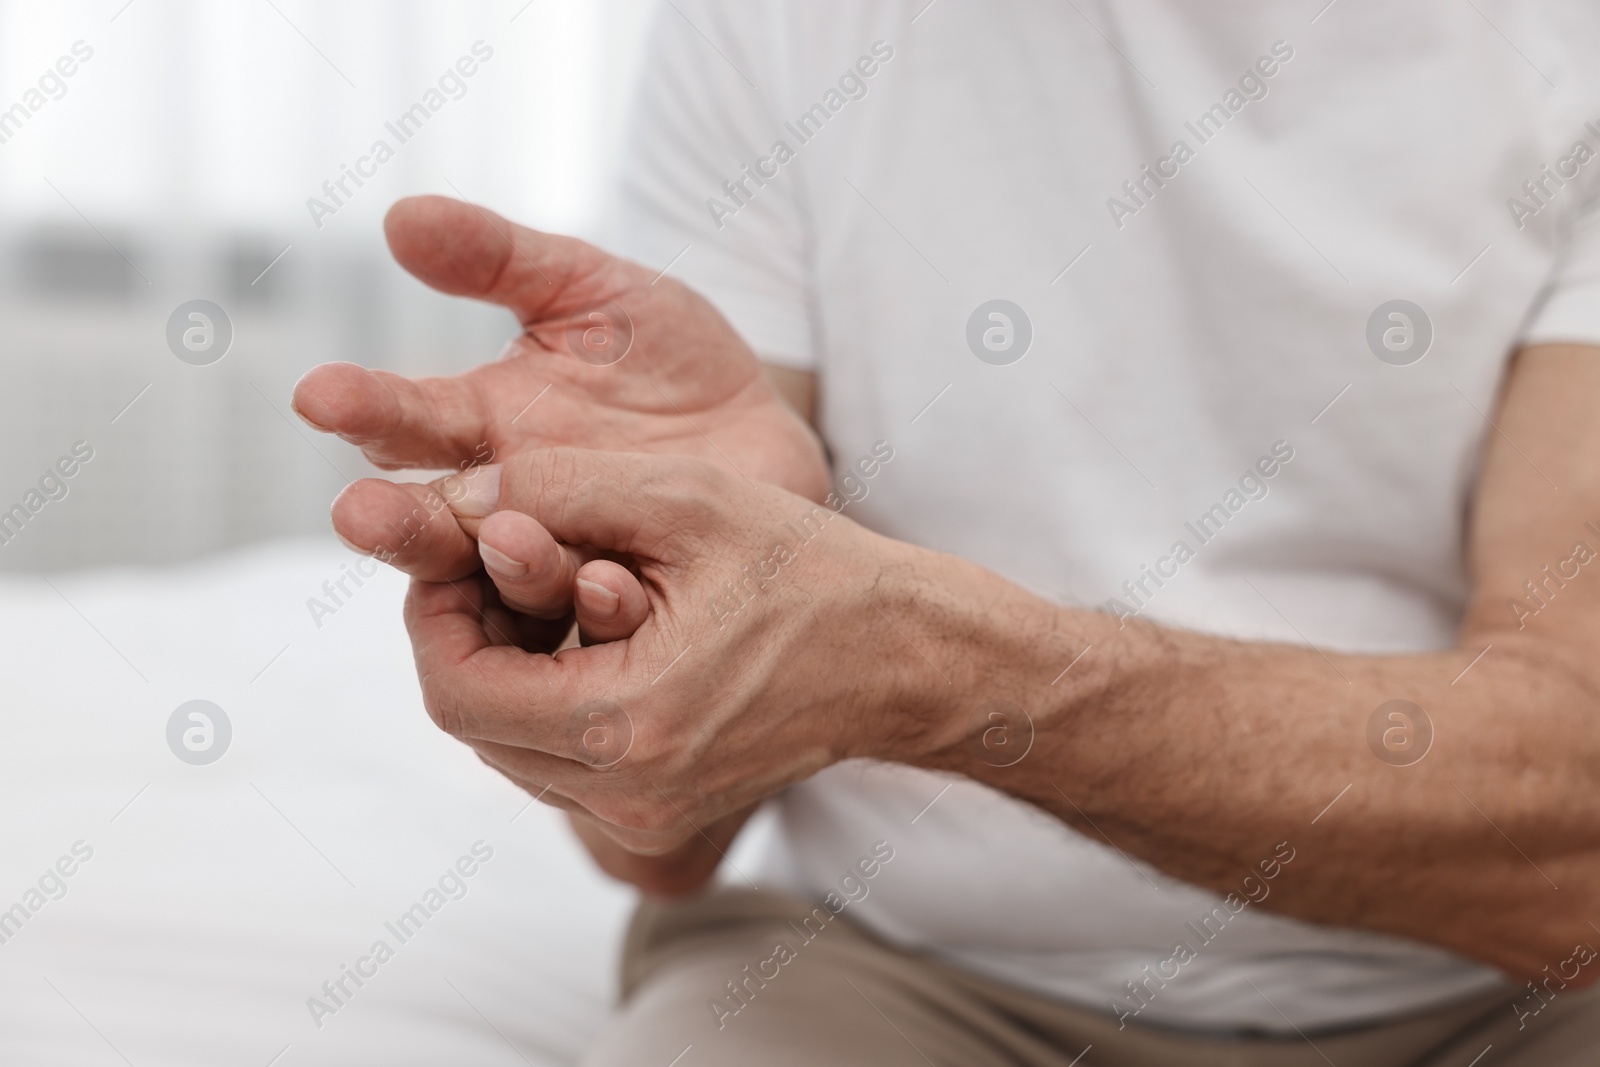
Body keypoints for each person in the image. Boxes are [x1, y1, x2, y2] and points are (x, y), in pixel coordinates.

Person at [292, 2, 1600, 1062]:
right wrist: (644, 578)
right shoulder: (774, 31)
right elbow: (654, 842)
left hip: (1506, 993)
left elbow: (1574, 830)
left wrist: (933, 665)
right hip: (891, 980)